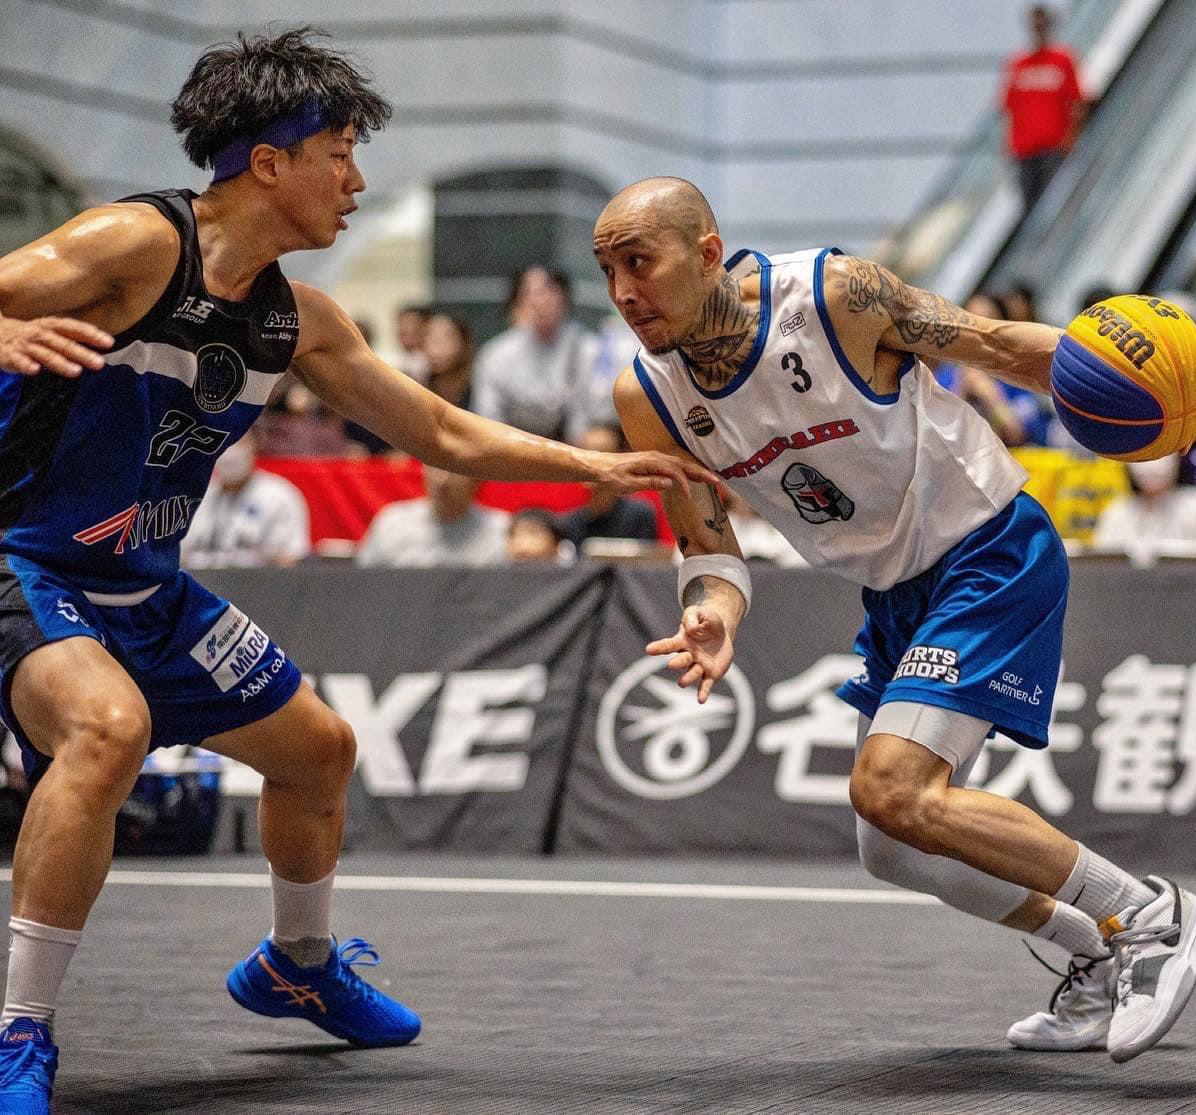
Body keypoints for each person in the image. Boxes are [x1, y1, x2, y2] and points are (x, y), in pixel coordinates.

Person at [0, 30, 711, 1112]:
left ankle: (297, 965)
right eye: (340, 151)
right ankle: (20, 1028)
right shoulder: (134, 245)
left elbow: (443, 432)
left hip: (146, 583)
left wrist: (600, 464)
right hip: (23, 560)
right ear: (268, 162)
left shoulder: (297, 321)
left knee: (319, 747)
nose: (359, 180)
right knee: (107, 729)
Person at [595, 177, 1196, 1065]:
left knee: (891, 787)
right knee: (890, 844)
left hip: (988, 546)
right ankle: (1096, 957)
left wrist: (1160, 386)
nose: (622, 292)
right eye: (608, 269)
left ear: (705, 253)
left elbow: (1001, 345)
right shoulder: (646, 396)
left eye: (639, 263)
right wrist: (710, 609)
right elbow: (709, 542)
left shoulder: (834, 296)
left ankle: (1150, 916)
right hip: (895, 595)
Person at [471, 266, 608, 443]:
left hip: (573, 447)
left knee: (601, 440)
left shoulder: (590, 350)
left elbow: (588, 416)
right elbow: (487, 419)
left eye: (548, 290)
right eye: (528, 293)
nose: (539, 301)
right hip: (513, 446)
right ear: (517, 303)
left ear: (564, 297)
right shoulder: (495, 355)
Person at [1000, 6, 1088, 213]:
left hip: (1054, 149)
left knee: (1054, 207)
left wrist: (1071, 139)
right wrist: (1009, 148)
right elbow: (1008, 108)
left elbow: (1078, 102)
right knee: (1030, 211)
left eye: (1042, 24)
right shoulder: (1018, 64)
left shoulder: (1062, 60)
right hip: (1025, 152)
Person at [181, 434, 311, 568]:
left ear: (253, 449)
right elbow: (177, 553)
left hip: (261, 583)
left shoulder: (280, 495)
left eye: (237, 443)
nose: (228, 454)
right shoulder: (195, 496)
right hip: (200, 581)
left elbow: (293, 556)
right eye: (222, 445)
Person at [1090, 454, 1196, 564]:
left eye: (1160, 455)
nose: (1152, 464)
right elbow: (1102, 564)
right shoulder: (1117, 512)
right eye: (1143, 456)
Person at [355, 466, 510, 568]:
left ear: (477, 479)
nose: (442, 481)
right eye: (435, 467)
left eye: (454, 471)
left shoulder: (503, 530)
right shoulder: (392, 522)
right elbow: (364, 583)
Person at [558, 426, 659, 548]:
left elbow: (648, 563)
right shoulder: (572, 522)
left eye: (597, 460)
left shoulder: (640, 514)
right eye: (586, 460)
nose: (590, 468)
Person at [419, 308, 474, 408]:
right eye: (428, 340)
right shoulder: (419, 386)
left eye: (442, 340)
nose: (433, 350)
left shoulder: (479, 384)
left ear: (463, 342)